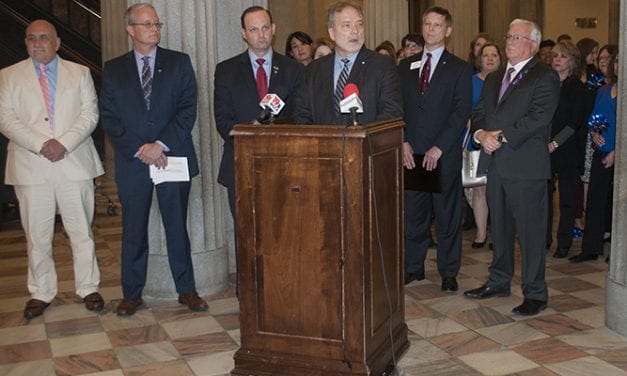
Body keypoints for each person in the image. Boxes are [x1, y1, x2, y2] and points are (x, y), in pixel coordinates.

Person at [99, 3, 207, 316]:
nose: (154, 29)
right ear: (130, 29)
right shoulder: (114, 68)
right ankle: (132, 294)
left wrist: (159, 144)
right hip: (134, 164)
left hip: (171, 157)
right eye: (147, 24)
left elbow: (188, 109)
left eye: (157, 23)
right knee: (133, 230)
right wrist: (141, 148)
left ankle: (187, 290)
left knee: (177, 227)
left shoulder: (179, 62)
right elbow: (110, 118)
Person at [0, 20, 105, 319]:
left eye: (44, 38)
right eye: (31, 38)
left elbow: (89, 114)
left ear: (57, 42)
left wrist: (64, 143)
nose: (37, 43)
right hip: (31, 166)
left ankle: (88, 287)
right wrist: (41, 144)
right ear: (25, 42)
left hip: (74, 162)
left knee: (81, 231)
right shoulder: (8, 76)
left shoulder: (80, 72)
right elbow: (6, 119)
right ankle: (42, 291)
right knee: (37, 234)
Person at [464, 19, 560, 316]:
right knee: (500, 229)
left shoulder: (544, 77)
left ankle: (535, 292)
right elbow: (479, 113)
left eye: (517, 37)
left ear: (532, 44)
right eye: (508, 36)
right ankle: (499, 281)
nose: (509, 42)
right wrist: (481, 135)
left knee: (531, 234)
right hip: (496, 165)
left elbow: (538, 118)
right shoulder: (494, 77)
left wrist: (500, 137)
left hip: (526, 166)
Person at [398, 6, 472, 292]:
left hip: (442, 154)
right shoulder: (406, 66)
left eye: (437, 25)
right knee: (413, 215)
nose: (430, 30)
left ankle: (449, 271)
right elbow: (398, 107)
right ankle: (413, 267)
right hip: (411, 152)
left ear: (448, 31)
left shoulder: (459, 68)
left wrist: (439, 147)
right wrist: (403, 140)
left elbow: (461, 110)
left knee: (446, 216)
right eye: (427, 24)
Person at [293, 0, 402, 125]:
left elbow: (391, 115)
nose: (355, 31)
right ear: (332, 33)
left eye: (359, 25)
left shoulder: (382, 65)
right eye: (347, 25)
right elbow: (302, 115)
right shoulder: (313, 70)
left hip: (366, 143)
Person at [569, 48, 619, 263]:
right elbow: (596, 117)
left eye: (618, 61)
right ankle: (591, 247)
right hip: (601, 152)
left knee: (618, 204)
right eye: (614, 62)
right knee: (596, 201)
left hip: (620, 155)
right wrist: (595, 132)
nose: (616, 65)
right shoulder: (604, 89)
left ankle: (618, 251)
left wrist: (618, 152)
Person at [547, 41, 589, 259]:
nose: (557, 59)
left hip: (567, 149)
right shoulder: (547, 84)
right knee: (543, 197)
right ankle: (544, 239)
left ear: (572, 61)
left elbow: (575, 122)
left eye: (562, 56)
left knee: (566, 198)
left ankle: (563, 242)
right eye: (554, 55)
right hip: (544, 149)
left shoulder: (577, 88)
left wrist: (554, 143)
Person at [467, 42, 502, 249]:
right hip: (476, 139)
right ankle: (481, 234)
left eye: (494, 55)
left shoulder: (507, 81)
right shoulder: (470, 81)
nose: (489, 58)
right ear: (479, 59)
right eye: (485, 55)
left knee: (497, 189)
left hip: (499, 141)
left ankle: (498, 234)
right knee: (479, 188)